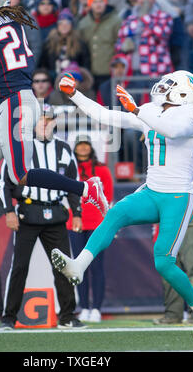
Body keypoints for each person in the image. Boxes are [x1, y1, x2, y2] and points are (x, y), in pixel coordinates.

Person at [51, 69, 193, 338]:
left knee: (164, 263)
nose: (164, 87)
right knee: (116, 213)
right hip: (151, 191)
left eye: (171, 84)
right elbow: (107, 115)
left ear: (185, 92)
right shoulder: (151, 110)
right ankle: (78, 265)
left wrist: (139, 111)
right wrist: (75, 95)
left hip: (177, 197)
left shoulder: (191, 114)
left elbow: (173, 131)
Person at [0, 0, 108, 252]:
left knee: (21, 173)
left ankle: (85, 189)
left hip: (15, 102)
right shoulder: (13, 21)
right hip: (15, 99)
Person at [0, 106, 87, 330]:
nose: (45, 124)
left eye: (49, 120)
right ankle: (8, 318)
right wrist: (9, 211)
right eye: (41, 120)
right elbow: (5, 183)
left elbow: (73, 184)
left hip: (56, 213)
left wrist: (77, 213)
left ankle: (67, 316)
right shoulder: (21, 150)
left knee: (65, 267)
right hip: (28, 213)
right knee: (19, 267)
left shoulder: (64, 149)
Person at [153, 138, 193, 324]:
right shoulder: (168, 145)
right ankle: (173, 314)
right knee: (168, 265)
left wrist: (187, 149)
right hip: (170, 213)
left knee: (192, 267)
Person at [68, 135, 114, 322]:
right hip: (76, 223)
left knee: (96, 267)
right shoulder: (70, 168)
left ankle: (96, 308)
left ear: (91, 148)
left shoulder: (102, 169)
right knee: (79, 267)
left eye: (86, 145)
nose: (84, 148)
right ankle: (84, 307)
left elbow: (108, 196)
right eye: (80, 145)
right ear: (76, 148)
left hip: (97, 224)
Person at [77, 0, 122, 89]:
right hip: (90, 73)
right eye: (95, 2)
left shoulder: (116, 21)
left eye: (101, 1)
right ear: (90, 4)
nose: (98, 4)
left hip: (109, 71)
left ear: (105, 3)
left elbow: (119, 45)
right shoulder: (83, 23)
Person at [39, 8, 90, 77]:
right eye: (61, 23)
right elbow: (43, 64)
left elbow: (85, 64)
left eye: (67, 23)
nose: (64, 26)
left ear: (72, 25)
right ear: (57, 25)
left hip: (74, 79)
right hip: (54, 79)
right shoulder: (49, 43)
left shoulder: (79, 43)